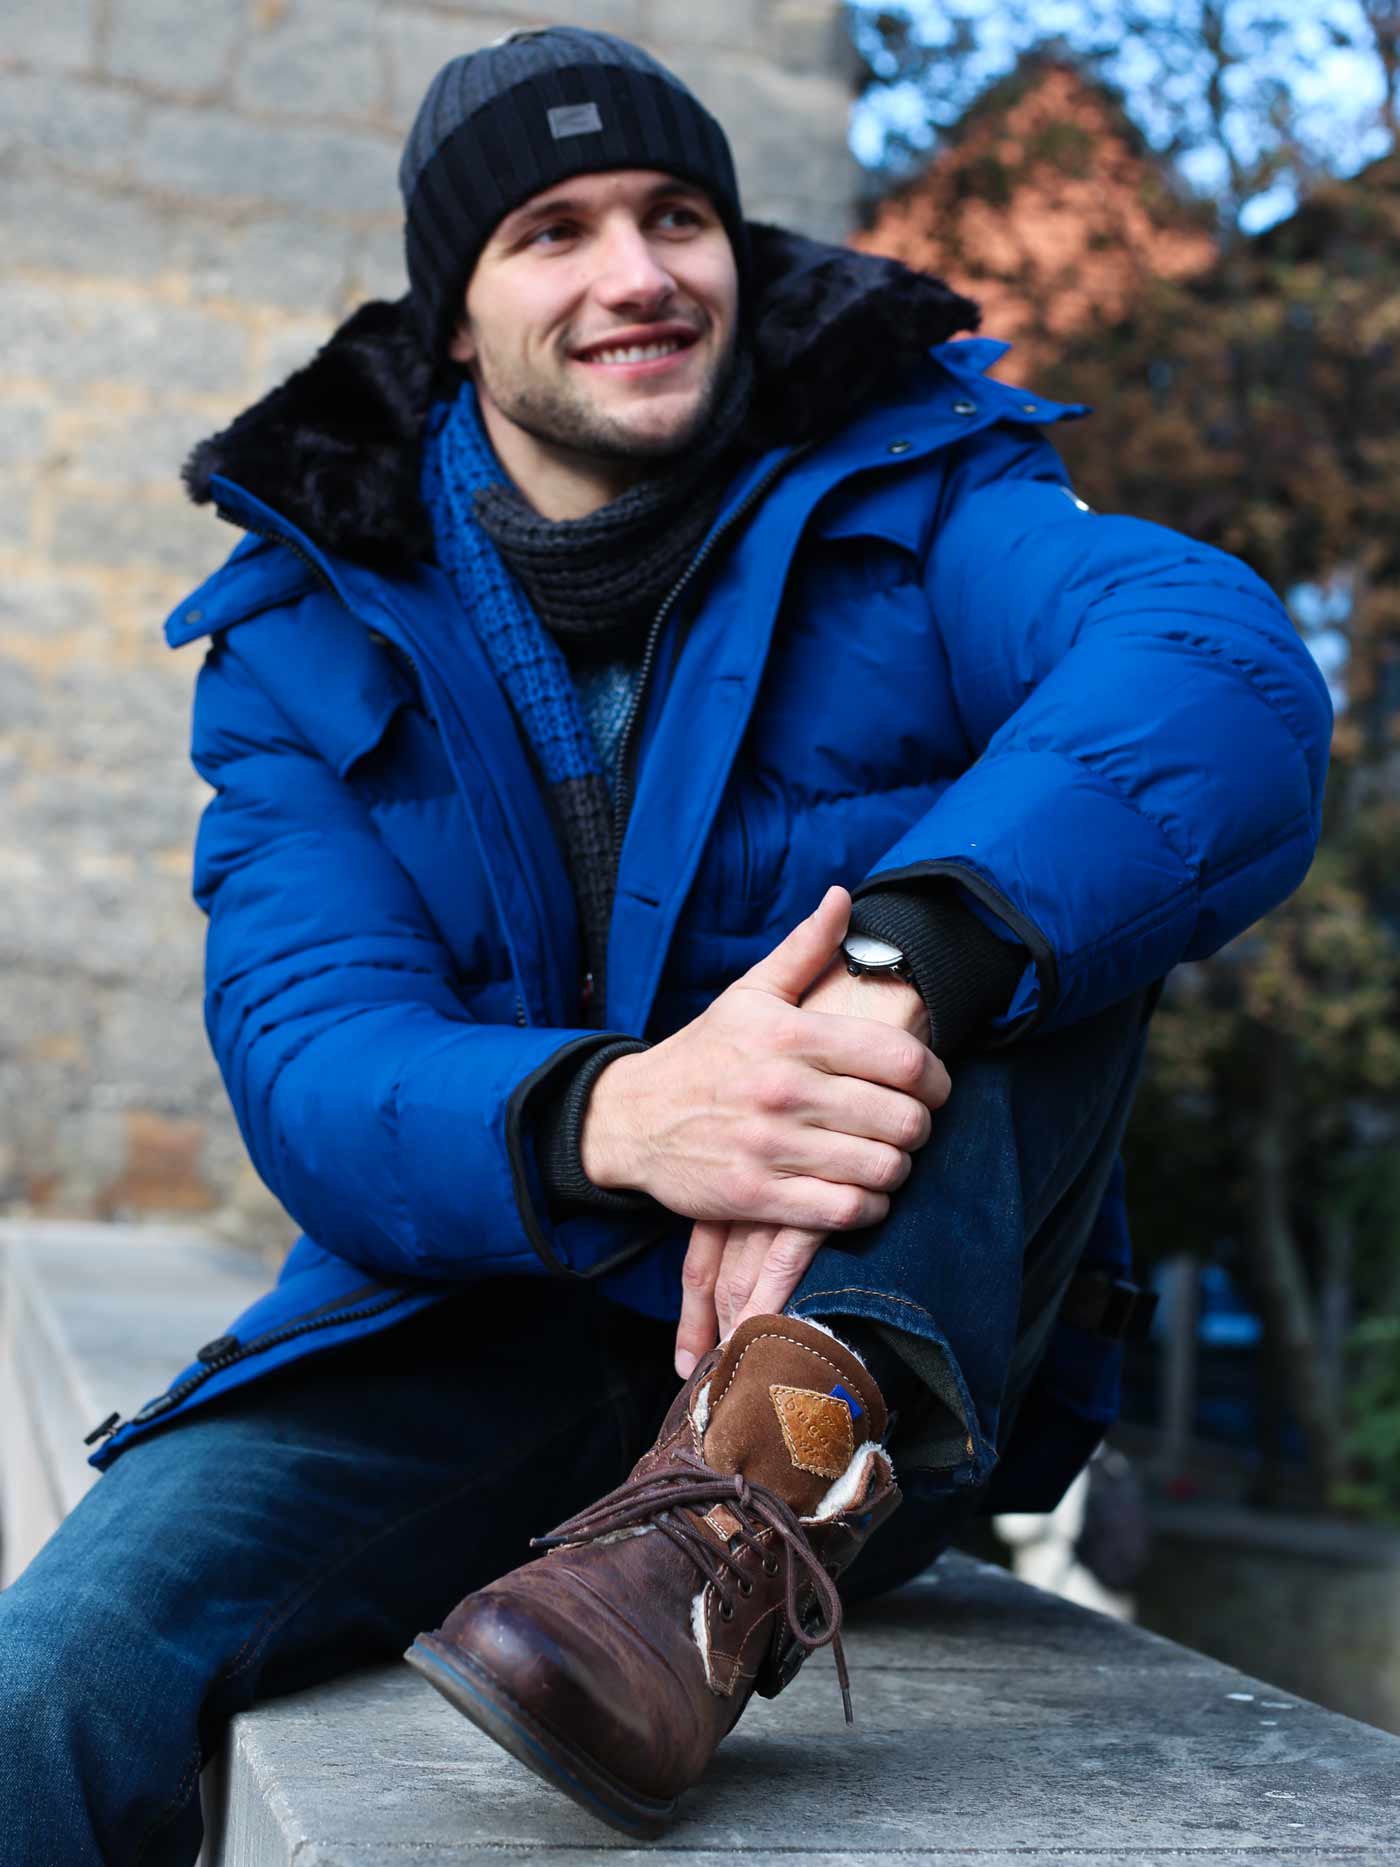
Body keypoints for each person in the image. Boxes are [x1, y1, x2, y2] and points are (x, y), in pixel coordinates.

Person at [0, 25, 1331, 1860]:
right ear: (454, 318)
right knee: (46, 1683)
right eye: (552, 230)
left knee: (1044, 871)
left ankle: (737, 1509)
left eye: (675, 214)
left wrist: (896, 972)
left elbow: (1221, 670)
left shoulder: (927, 489)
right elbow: (308, 1052)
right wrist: (625, 1117)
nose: (637, 274)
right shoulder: (303, 632)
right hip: (471, 1324)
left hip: (873, 1324)